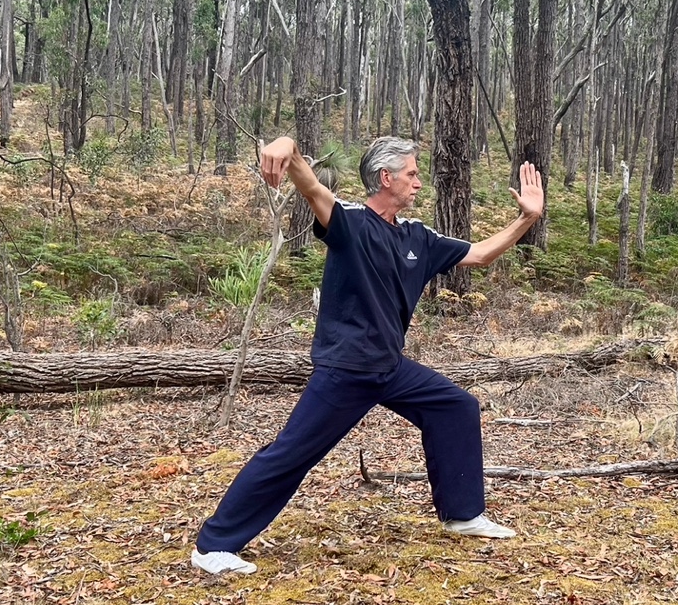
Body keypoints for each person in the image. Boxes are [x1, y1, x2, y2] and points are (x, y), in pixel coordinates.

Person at [191, 134, 545, 575]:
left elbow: (479, 255)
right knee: (291, 453)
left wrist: (526, 219)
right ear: (386, 178)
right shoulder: (350, 223)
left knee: (455, 407)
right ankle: (214, 545)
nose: (419, 183)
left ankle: (462, 514)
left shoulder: (419, 236)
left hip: (389, 367)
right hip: (346, 369)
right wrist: (288, 146)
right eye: (412, 174)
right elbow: (311, 187)